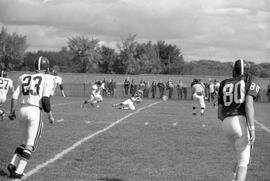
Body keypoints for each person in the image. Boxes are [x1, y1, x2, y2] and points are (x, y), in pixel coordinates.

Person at [7, 56, 55, 179]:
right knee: (30, 145)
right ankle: (19, 171)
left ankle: (13, 163)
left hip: (22, 110)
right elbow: (45, 99)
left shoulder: (23, 77)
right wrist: (50, 116)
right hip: (34, 110)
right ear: (47, 68)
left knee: (24, 142)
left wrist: (12, 112)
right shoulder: (48, 78)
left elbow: (14, 96)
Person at [218, 59, 260, 181]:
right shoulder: (249, 79)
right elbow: (248, 104)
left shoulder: (224, 83)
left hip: (226, 123)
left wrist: (230, 123)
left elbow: (219, 114)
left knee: (240, 158)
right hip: (239, 121)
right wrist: (252, 128)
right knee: (244, 163)